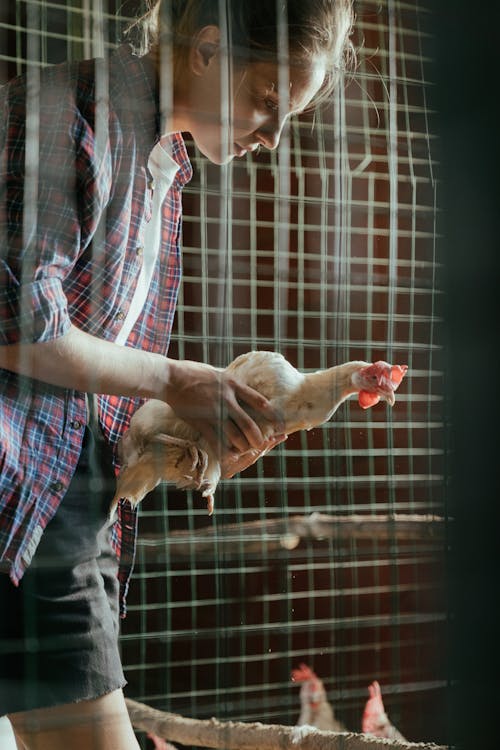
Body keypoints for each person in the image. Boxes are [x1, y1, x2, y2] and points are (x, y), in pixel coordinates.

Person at [0, 0, 355, 747]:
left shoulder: (168, 163)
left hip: (68, 496)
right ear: (206, 51)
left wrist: (179, 439)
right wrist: (176, 381)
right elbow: (22, 324)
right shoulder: (70, 116)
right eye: (265, 100)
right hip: (19, 487)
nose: (273, 135)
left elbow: (92, 380)